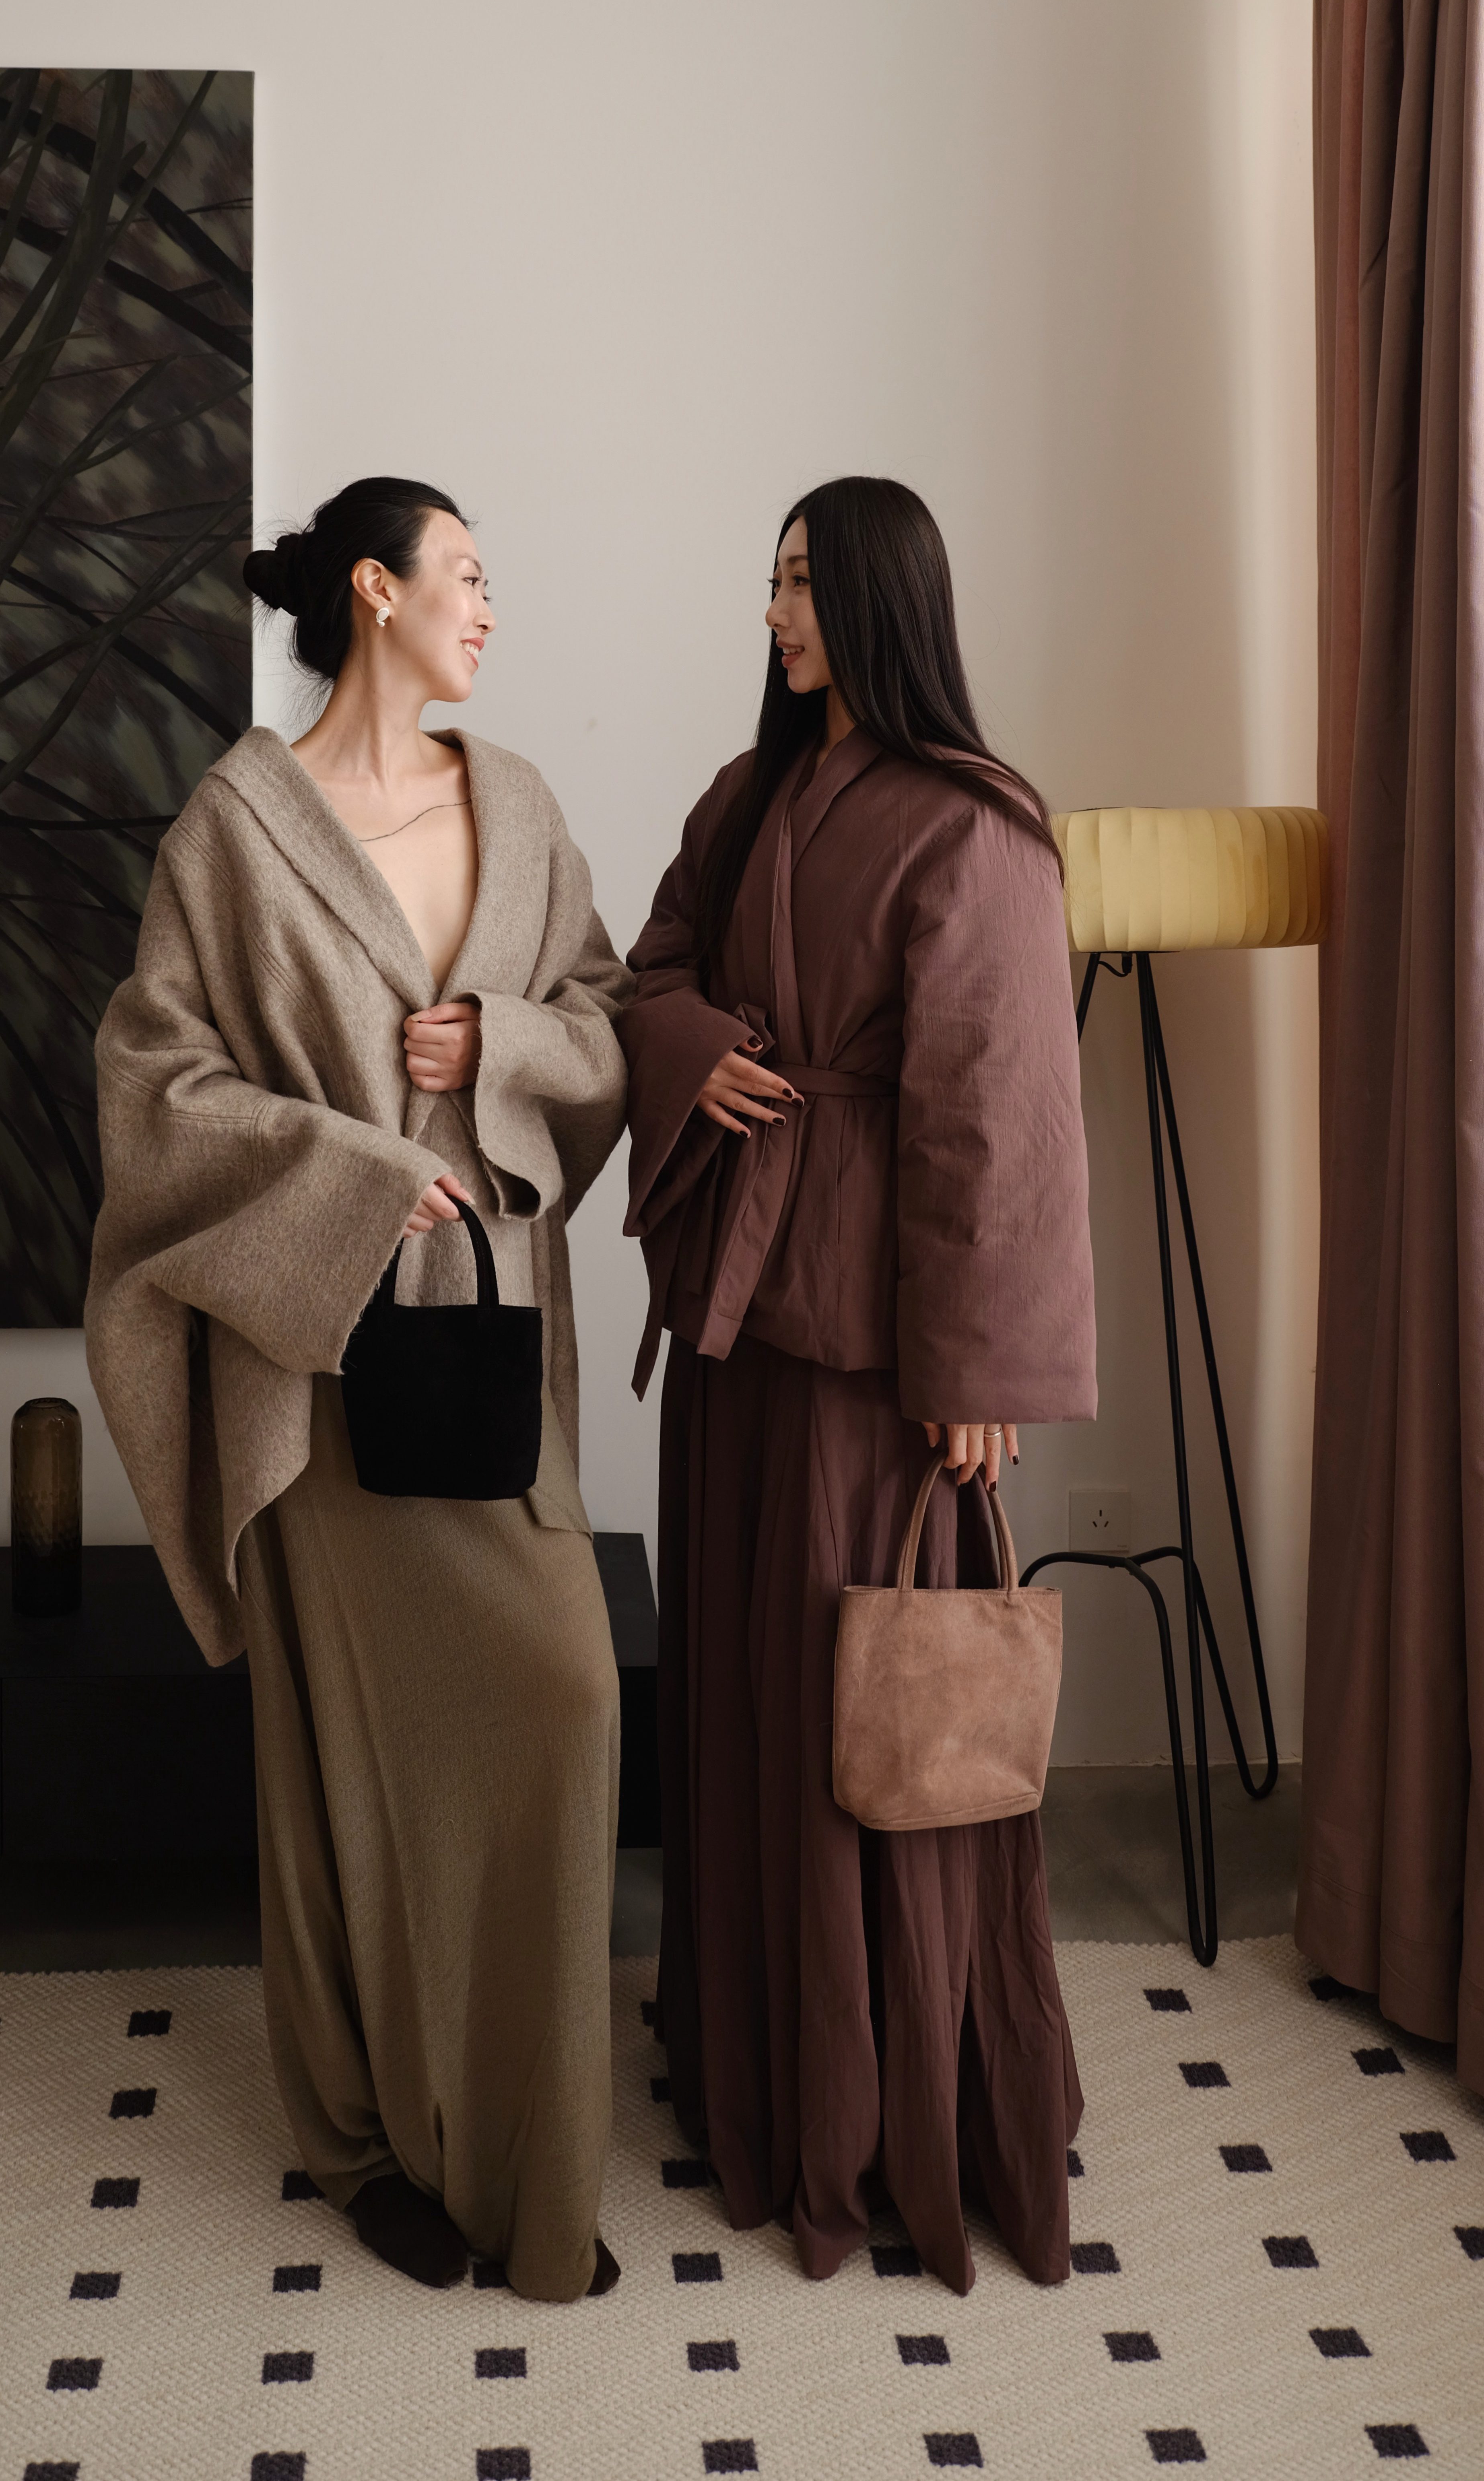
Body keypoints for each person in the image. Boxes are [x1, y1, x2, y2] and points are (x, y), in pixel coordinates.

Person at [86, 477, 632, 2302]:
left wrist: (507, 1047)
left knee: (565, 1698)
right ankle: (362, 2143)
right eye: (467, 573)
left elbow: (606, 1020)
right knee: (341, 1764)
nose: (490, 606)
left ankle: (529, 2160)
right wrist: (348, 1172)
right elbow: (153, 1081)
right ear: (378, 593)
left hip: (488, 1347)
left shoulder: (522, 806)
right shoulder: (236, 829)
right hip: (319, 1362)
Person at [620, 476, 1096, 2291]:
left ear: (887, 599)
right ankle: (753, 2070)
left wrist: (978, 1371)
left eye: (809, 583)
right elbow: (649, 969)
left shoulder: (979, 828)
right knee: (745, 1696)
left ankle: (890, 2112)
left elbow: (1000, 1117)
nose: (779, 613)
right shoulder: (741, 798)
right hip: (738, 1326)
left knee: (877, 1722)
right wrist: (698, 1047)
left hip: (879, 1349)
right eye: (772, 581)